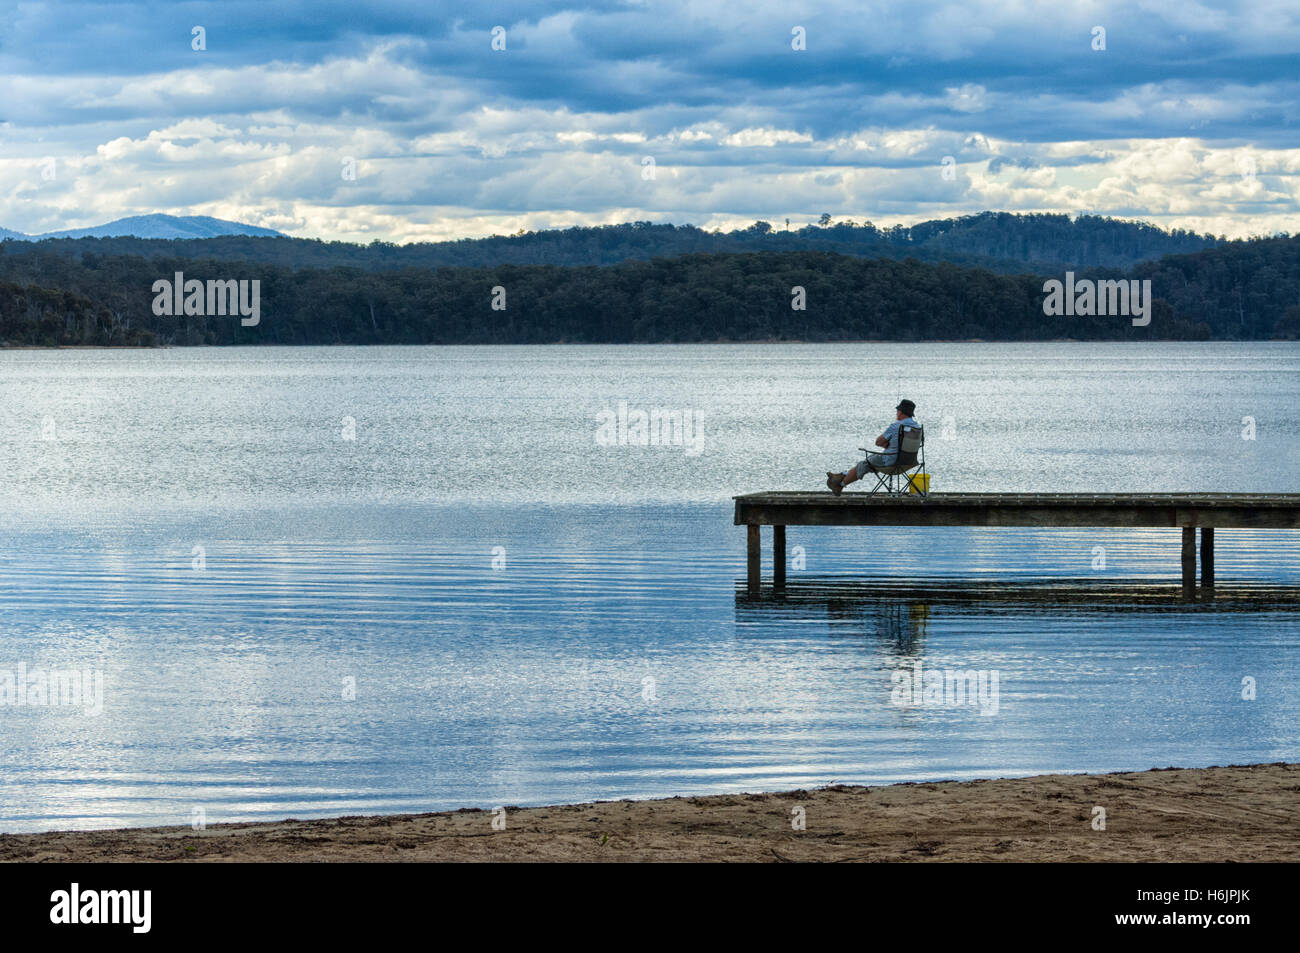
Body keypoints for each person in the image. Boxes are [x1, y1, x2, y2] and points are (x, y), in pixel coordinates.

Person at [826, 399, 919, 495]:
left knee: (866, 463)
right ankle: (840, 476)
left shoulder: (895, 426)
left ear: (900, 412)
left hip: (891, 462)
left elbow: (878, 442)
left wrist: (887, 444)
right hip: (909, 462)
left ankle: (840, 484)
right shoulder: (917, 427)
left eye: (897, 411)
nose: (896, 413)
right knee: (869, 460)